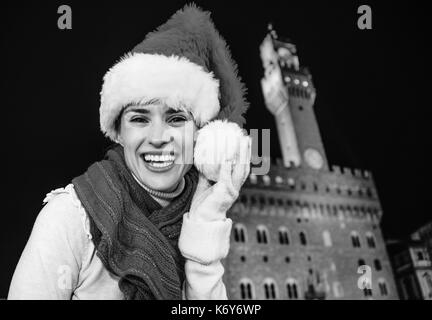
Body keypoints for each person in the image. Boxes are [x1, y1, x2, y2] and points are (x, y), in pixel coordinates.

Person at [8, 4, 251, 300]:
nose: (159, 138)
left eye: (176, 119)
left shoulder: (202, 224)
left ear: (200, 137)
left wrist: (203, 247)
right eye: (139, 119)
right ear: (119, 133)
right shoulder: (70, 218)